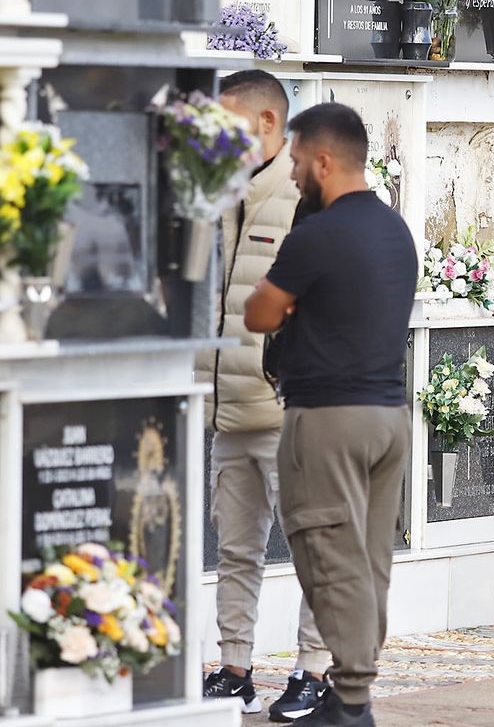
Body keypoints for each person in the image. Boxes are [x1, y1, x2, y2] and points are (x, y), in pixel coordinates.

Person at [245, 102, 417, 727]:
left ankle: (348, 705)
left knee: (327, 554)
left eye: (295, 161)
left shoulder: (316, 234)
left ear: (323, 161)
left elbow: (259, 314)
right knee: (370, 561)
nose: (291, 175)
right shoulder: (395, 229)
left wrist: (286, 306)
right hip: (388, 416)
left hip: (328, 417)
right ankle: (355, 690)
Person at [200, 71, 329, 720]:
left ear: (268, 124)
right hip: (228, 410)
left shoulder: (312, 195)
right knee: (235, 550)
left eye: (229, 123)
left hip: (290, 412)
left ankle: (314, 671)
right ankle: (235, 668)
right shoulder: (215, 193)